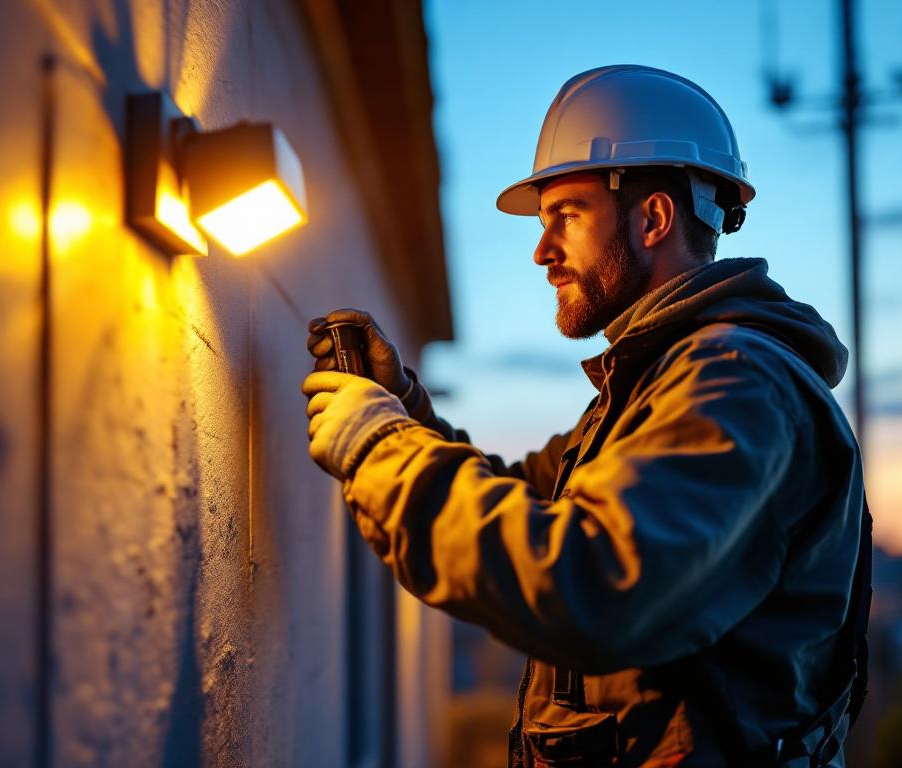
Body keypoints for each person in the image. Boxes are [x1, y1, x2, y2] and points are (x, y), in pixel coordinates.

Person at [301, 65, 870, 767]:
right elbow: (531, 500)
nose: (542, 252)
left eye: (564, 216)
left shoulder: (736, 384)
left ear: (653, 218)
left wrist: (378, 447)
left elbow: (591, 582)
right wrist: (406, 415)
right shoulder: (659, 387)